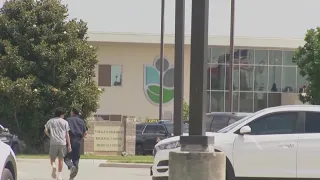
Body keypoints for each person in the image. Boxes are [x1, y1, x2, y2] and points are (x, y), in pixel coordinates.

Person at [44, 107, 71, 180]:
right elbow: (67, 134)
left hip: (53, 142)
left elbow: (46, 130)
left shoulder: (50, 121)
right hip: (62, 142)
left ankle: (53, 166)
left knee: (52, 158)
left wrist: (50, 136)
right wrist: (69, 145)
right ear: (61, 114)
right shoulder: (65, 122)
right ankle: (59, 175)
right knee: (61, 159)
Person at [64, 107, 88, 180]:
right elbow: (85, 132)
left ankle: (71, 167)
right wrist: (81, 139)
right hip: (78, 140)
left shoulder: (68, 120)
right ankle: (73, 172)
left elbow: (66, 131)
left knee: (66, 157)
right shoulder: (82, 121)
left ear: (73, 112)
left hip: (70, 139)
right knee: (76, 158)